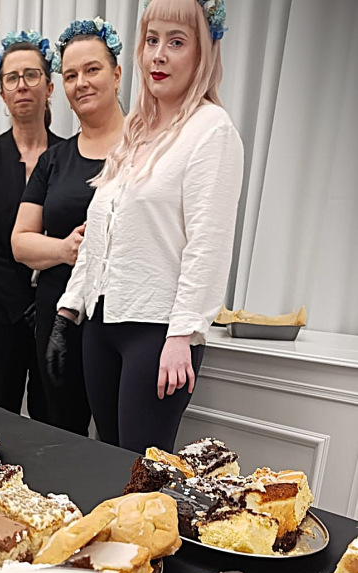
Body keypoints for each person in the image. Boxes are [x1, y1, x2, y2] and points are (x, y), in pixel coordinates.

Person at [48, 0, 243, 454]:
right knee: (108, 460)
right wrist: (68, 310)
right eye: (152, 40)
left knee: (141, 473)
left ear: (202, 52)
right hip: (102, 322)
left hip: (156, 331)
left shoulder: (212, 130)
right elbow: (101, 230)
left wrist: (183, 335)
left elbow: (208, 243)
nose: (158, 55)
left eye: (176, 42)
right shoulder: (136, 130)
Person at [12, 19, 125, 436]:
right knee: (62, 433)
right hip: (58, 314)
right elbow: (20, 242)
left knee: (119, 438)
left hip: (121, 316)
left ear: (116, 74)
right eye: (71, 75)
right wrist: (65, 249)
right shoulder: (54, 160)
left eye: (92, 70)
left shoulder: (146, 149)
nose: (81, 83)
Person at [0, 31, 63, 420]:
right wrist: (24, 305)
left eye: (31, 75)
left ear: (49, 87)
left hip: (56, 312)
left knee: (53, 418)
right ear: (2, 93)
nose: (22, 85)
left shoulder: (68, 155)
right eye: (12, 78)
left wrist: (45, 306)